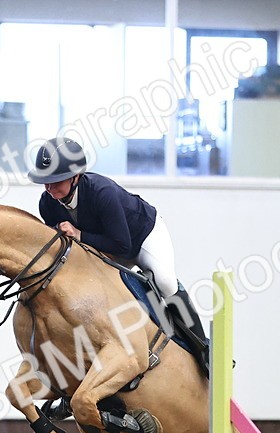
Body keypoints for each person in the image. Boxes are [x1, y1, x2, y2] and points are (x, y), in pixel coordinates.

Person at [27, 137, 208, 368]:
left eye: (56, 181)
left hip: (142, 237)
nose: (49, 188)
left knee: (164, 281)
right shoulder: (47, 203)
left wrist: (80, 234)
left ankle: (202, 348)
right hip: (103, 247)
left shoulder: (102, 192)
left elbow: (122, 245)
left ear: (75, 177)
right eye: (45, 182)